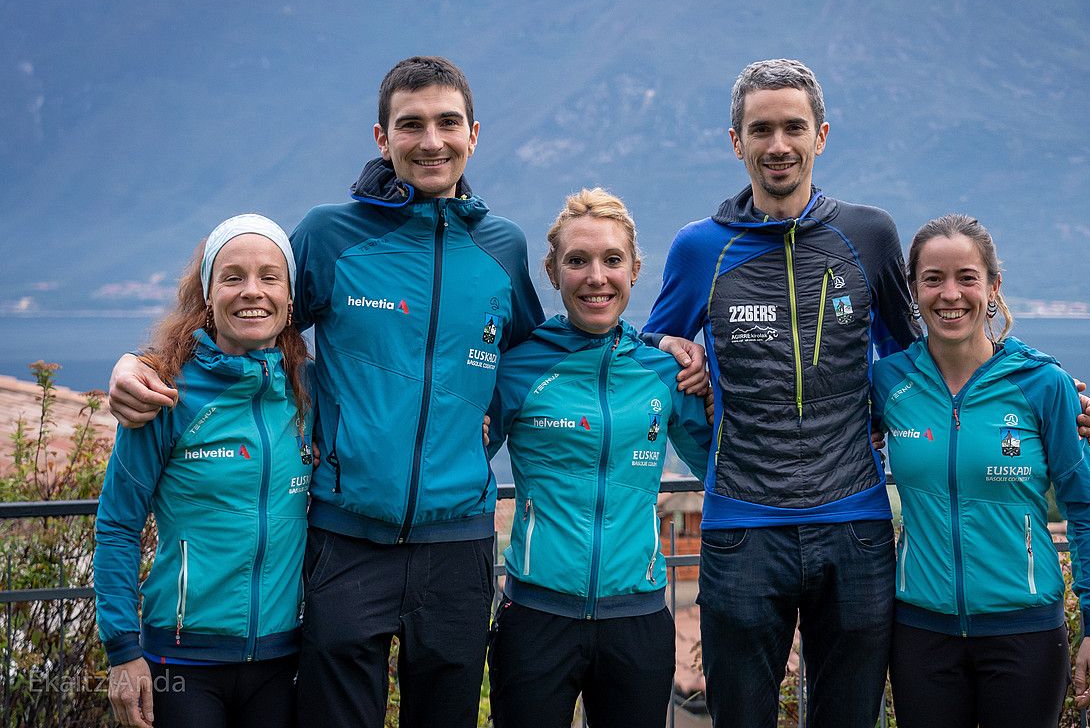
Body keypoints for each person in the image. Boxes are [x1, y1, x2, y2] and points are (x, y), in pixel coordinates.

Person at [107, 56, 706, 727]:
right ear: (381, 138)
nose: (431, 140)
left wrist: (656, 350)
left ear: (473, 134)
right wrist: (145, 359)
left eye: (447, 122)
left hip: (458, 545)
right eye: (411, 124)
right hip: (345, 538)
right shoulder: (329, 235)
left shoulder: (500, 247)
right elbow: (247, 316)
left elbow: (555, 355)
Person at [642, 58, 1090, 727]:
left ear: (821, 135)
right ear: (735, 140)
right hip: (742, 528)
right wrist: (670, 357)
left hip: (854, 527)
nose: (779, 144)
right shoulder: (699, 248)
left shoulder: (869, 234)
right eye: (762, 128)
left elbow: (917, 355)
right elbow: (648, 353)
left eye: (794, 127)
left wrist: (1045, 396)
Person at [872, 214, 1090, 728]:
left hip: (1024, 632)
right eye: (933, 279)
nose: (950, 295)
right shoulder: (888, 381)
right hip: (921, 632)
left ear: (993, 286)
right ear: (914, 289)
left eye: (967, 277)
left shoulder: (1042, 384)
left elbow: (1085, 509)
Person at [484, 189, 711, 728]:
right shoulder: (516, 367)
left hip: (638, 619)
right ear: (552, 271)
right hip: (536, 616)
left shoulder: (664, 370)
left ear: (634, 269)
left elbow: (722, 467)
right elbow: (460, 463)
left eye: (612, 260)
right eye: (577, 261)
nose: (596, 277)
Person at [94, 214, 313, 728]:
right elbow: (118, 526)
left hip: (284, 658)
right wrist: (123, 652)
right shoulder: (165, 395)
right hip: (182, 660)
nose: (251, 291)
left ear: (290, 296)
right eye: (232, 277)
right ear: (207, 297)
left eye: (269, 276)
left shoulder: (310, 390)